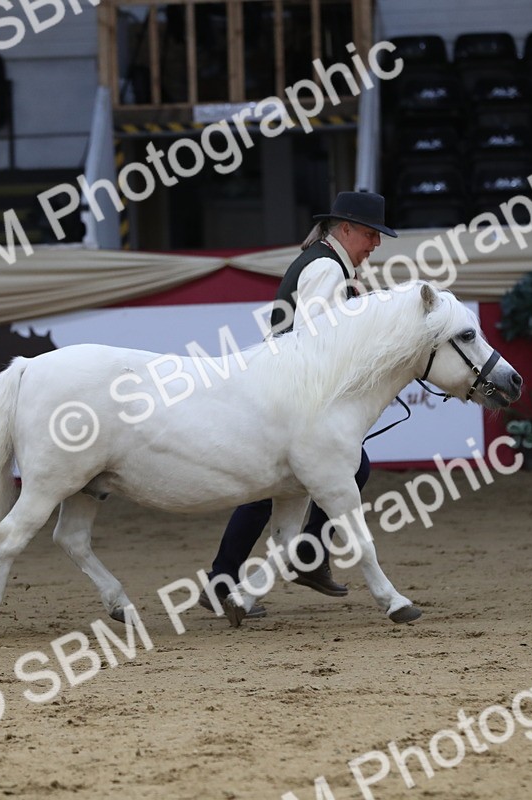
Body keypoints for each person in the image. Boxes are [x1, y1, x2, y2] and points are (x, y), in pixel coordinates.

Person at [200, 190, 398, 617]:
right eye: (370, 234)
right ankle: (304, 558)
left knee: (269, 487)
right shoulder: (327, 268)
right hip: (293, 393)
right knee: (349, 468)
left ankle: (227, 578)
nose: (375, 244)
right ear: (346, 229)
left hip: (282, 387)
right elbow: (318, 341)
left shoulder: (326, 262)